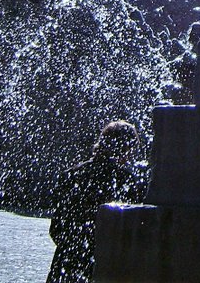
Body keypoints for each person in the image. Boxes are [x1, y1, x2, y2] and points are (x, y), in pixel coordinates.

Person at [46, 120, 150, 283]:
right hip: (104, 266)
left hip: (65, 264)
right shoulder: (126, 181)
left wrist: (73, 249)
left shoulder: (71, 175)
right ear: (126, 149)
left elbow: (56, 228)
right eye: (131, 150)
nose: (131, 156)